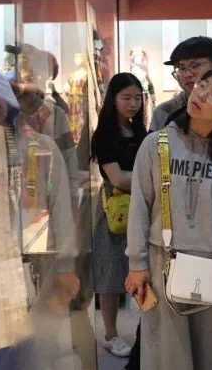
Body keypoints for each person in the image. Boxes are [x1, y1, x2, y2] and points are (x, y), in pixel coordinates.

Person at [125, 70, 212, 370]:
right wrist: (137, 264)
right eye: (202, 85)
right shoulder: (157, 144)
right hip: (162, 262)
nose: (201, 95)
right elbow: (140, 208)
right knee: (168, 357)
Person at [90, 73, 148, 357]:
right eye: (126, 97)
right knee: (110, 274)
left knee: (143, 269)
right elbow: (118, 178)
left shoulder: (141, 132)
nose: (133, 103)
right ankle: (111, 334)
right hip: (115, 209)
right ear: (113, 99)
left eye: (137, 97)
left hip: (143, 208)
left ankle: (146, 331)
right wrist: (148, 179)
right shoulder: (105, 134)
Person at [149, 36, 212, 132]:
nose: (187, 74)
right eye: (182, 68)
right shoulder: (164, 112)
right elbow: (161, 141)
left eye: (195, 66)